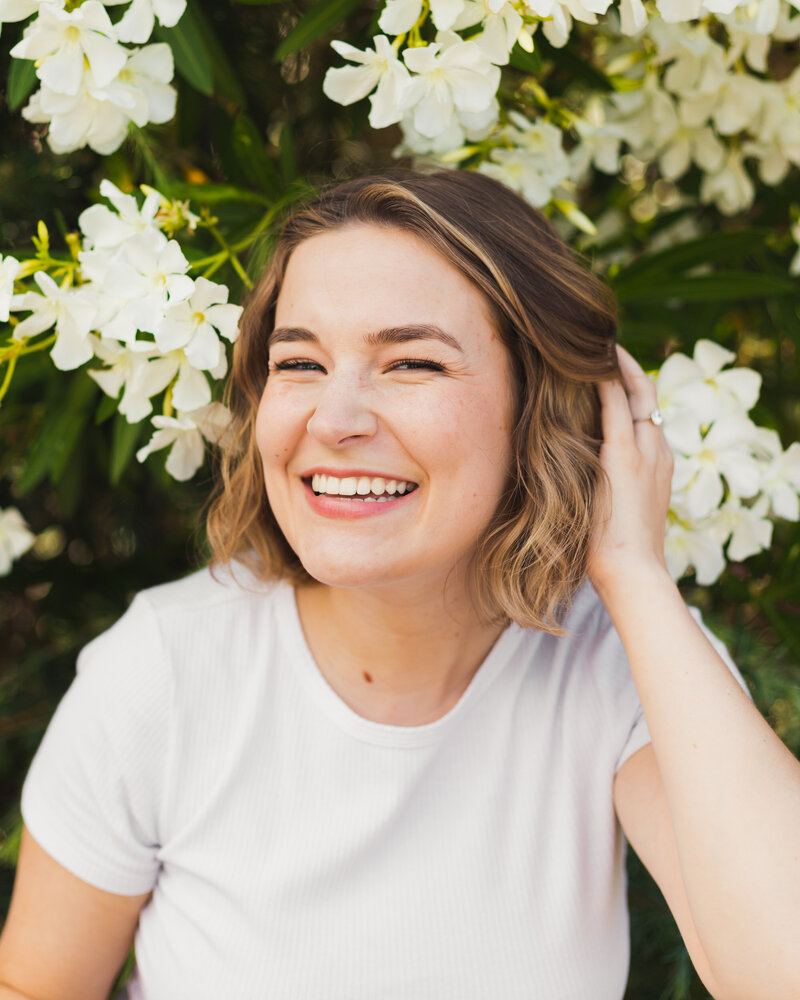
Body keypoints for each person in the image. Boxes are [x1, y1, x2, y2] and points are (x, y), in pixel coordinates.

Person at [0, 169, 799, 1000]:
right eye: (300, 361)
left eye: (411, 362)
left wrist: (633, 573)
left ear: (545, 409)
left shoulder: (619, 660)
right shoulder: (166, 668)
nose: (335, 419)